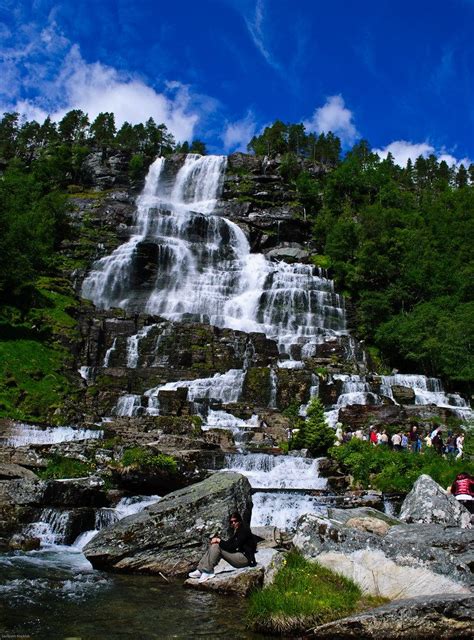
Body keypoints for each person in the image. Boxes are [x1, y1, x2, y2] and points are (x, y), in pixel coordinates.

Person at [188, 512, 257, 583]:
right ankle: (200, 570)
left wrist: (219, 540)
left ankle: (208, 571)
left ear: (239, 520)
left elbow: (232, 547)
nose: (233, 523)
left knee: (217, 546)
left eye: (235, 521)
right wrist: (218, 541)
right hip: (240, 556)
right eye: (231, 521)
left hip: (245, 559)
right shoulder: (238, 530)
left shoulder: (244, 530)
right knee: (215, 545)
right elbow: (229, 543)